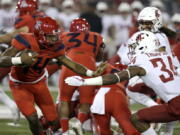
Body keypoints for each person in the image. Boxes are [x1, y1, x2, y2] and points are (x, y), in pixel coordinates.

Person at [0, 16, 102, 135]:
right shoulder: (25, 39)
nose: (54, 39)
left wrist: (91, 73)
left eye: (55, 35)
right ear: (40, 34)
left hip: (39, 83)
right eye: (50, 36)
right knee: (33, 119)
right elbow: (2, 60)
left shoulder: (56, 46)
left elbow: (71, 64)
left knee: (54, 121)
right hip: (19, 84)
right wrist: (18, 60)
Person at [65, 31, 180, 135]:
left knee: (137, 119)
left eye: (135, 46)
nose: (133, 49)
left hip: (176, 104)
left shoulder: (142, 62)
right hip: (174, 103)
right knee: (137, 117)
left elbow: (115, 78)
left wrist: (85, 82)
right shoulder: (167, 54)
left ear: (145, 45)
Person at [58, 18, 105, 134]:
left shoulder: (64, 35)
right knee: (86, 101)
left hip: (70, 64)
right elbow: (100, 57)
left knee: (64, 100)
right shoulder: (97, 36)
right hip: (89, 64)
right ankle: (78, 125)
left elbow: (58, 54)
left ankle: (65, 131)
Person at [91, 63, 140, 135]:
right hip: (118, 95)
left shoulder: (106, 65)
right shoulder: (132, 70)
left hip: (100, 97)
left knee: (103, 132)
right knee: (130, 129)